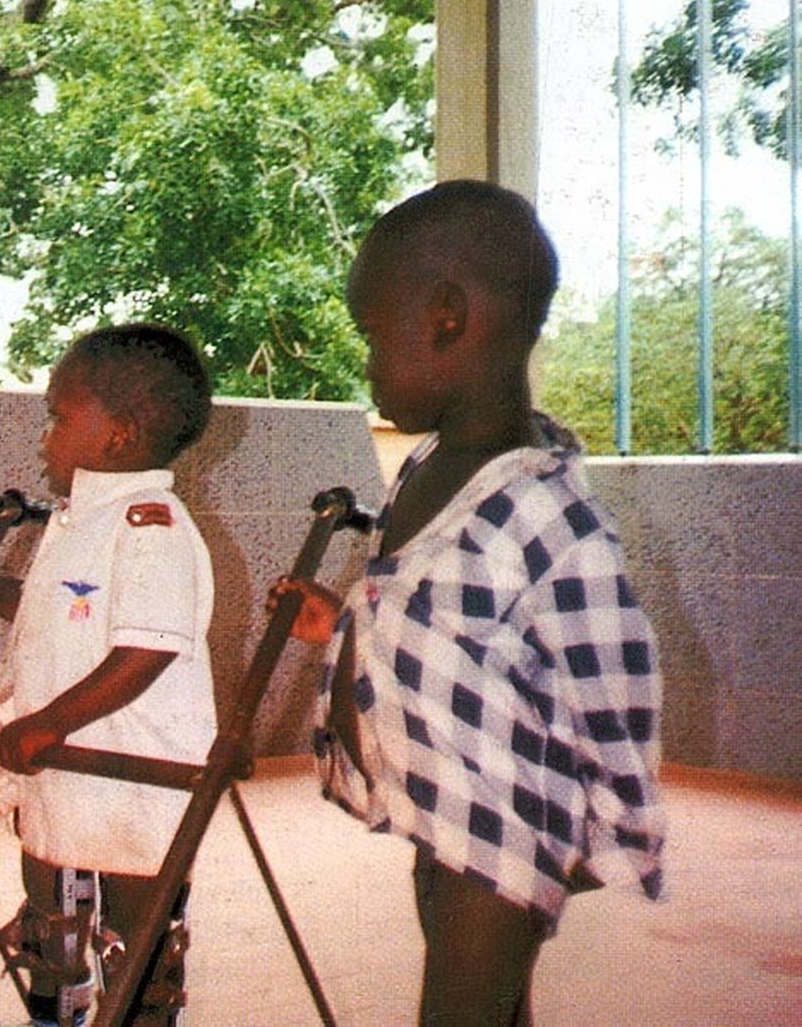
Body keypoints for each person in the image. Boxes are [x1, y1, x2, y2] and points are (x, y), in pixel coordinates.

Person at [276, 180, 667, 1026]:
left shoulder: (549, 512)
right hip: (440, 811)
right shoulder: (428, 471)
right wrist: (337, 628)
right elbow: (430, 615)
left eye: (373, 336)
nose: (369, 363)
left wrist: (608, 830)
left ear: (446, 317)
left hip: (503, 830)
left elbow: (613, 676)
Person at [0, 325, 215, 1027]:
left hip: (132, 770)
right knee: (52, 898)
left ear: (118, 435)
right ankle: (55, 1009)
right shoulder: (81, 518)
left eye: (57, 416)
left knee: (137, 929)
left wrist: (50, 720)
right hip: (65, 767)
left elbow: (146, 648)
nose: (44, 434)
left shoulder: (153, 526)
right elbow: (63, 611)